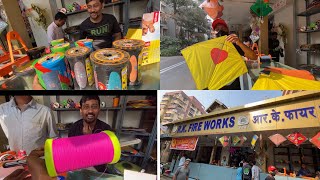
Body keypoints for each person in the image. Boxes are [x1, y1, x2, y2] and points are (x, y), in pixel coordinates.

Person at [68, 95, 112, 172]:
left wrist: (90, 138)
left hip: (99, 173)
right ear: (81, 110)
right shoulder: (73, 129)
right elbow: (72, 155)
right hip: (78, 171)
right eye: (86, 107)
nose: (90, 111)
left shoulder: (106, 129)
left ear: (99, 109)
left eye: (94, 107)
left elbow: (107, 157)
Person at [211, 18, 258, 90]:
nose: (220, 31)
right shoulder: (209, 47)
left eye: (223, 28)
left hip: (234, 83)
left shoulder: (234, 45)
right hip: (216, 84)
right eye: (217, 29)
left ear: (227, 31)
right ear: (213, 33)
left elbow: (253, 57)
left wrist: (239, 42)